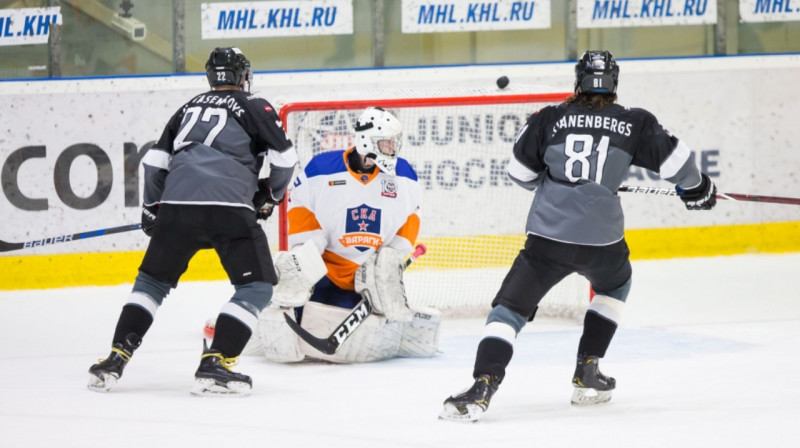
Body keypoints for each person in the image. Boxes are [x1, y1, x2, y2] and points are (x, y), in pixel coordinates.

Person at [439, 50, 717, 422]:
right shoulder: (635, 122)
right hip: (602, 243)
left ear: (578, 81)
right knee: (615, 286)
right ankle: (588, 371)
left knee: (508, 311)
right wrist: (699, 189)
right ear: (613, 82)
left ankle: (483, 384)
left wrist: (553, 186)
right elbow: (681, 169)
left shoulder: (549, 118)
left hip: (546, 241)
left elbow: (519, 174)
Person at [87, 47, 298, 396]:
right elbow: (285, 160)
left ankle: (113, 360)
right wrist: (270, 196)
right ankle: (217, 362)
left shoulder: (187, 107)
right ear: (244, 76)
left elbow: (154, 163)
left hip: (176, 206)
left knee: (151, 284)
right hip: (228, 208)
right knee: (257, 287)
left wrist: (153, 208)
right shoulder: (255, 106)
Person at [246, 106, 441, 364]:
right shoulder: (322, 169)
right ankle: (247, 321)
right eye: (386, 143)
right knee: (296, 308)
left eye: (394, 143)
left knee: (348, 328)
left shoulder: (403, 175)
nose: (393, 149)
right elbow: (301, 206)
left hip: (363, 276)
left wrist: (391, 257)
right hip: (322, 270)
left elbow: (411, 215)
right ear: (366, 141)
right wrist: (307, 252)